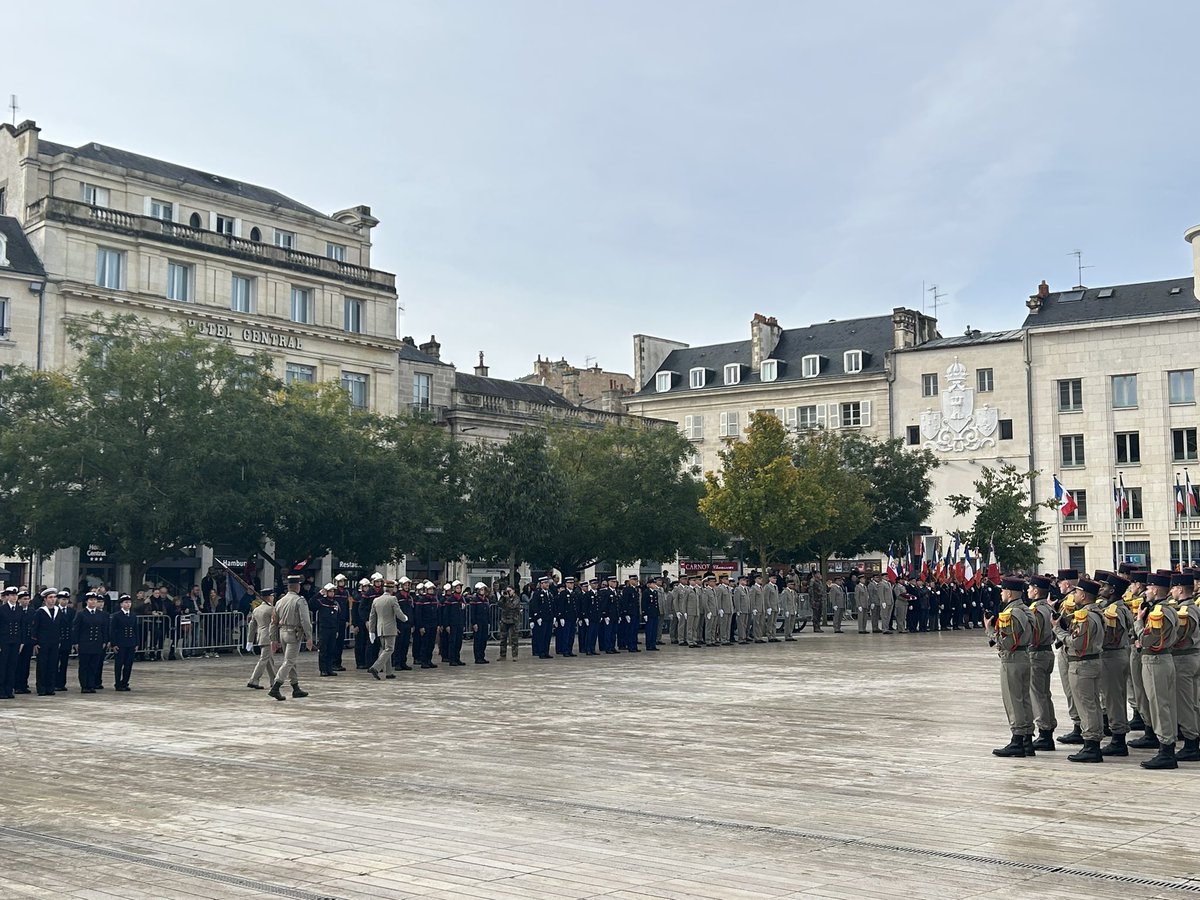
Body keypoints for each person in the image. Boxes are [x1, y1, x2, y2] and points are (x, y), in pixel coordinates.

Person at [987, 576, 1036, 757]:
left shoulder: (1011, 613)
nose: (1001, 593)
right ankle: (1027, 739)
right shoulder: (1025, 610)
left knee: (1013, 700)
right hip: (1024, 656)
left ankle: (1017, 739)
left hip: (1012, 658)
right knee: (1024, 699)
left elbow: (1007, 643)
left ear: (1009, 592)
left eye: (1002, 590)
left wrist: (990, 630)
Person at [1137, 572, 1180, 769]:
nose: (1146, 592)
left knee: (1159, 705)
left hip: (1155, 661)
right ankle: (1167, 746)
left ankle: (1166, 751)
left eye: (1147, 588)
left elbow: (1146, 639)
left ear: (1155, 589)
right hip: (1165, 659)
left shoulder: (1158, 613)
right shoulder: (1169, 609)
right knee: (1166, 704)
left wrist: (1138, 622)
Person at [1061, 578, 1105, 763]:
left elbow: (1077, 643)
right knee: (1092, 703)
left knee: (1086, 705)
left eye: (1077, 592)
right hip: (1092, 662)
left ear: (1084, 595)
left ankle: (1091, 745)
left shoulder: (1085, 616)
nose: (1074, 595)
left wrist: (1058, 631)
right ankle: (1092, 741)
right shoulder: (1096, 613)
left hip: (1082, 664)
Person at [1097, 573, 1134, 757]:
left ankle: (1118, 739)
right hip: (1118, 655)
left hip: (1112, 656)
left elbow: (1111, 638)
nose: (1101, 589)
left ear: (1112, 590)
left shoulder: (1113, 611)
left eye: (1104, 587)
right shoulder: (1119, 607)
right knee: (1115, 697)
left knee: (1114, 699)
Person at [1025, 575, 1058, 751]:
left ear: (1036, 590)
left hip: (1036, 653)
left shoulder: (1036, 610)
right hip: (1047, 651)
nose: (1028, 590)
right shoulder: (1048, 608)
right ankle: (1048, 728)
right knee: (1045, 694)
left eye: (1030, 588)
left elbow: (1034, 635)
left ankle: (1045, 732)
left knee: (1037, 695)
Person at [268, 575, 314, 701]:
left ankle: (295, 687)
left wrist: (273, 639)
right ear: (297, 586)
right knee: (289, 661)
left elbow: (273, 622)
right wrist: (309, 637)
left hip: (282, 632)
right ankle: (276, 686)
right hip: (294, 633)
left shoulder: (279, 601)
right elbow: (305, 620)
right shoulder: (300, 600)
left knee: (290, 660)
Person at [1169, 572, 1199, 762]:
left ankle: (1190, 743)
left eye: (1173, 587)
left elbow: (1178, 637)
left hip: (1183, 659)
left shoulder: (1184, 611)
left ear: (1180, 589)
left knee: (1185, 704)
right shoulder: (1192, 607)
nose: (1171, 591)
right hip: (1192, 657)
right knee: (1193, 702)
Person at [368, 579, 408, 680]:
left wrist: (371, 630)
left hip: (380, 629)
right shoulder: (392, 599)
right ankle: (375, 667)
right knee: (389, 649)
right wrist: (405, 618)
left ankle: (389, 672)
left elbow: (372, 617)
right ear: (391, 589)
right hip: (390, 628)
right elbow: (398, 612)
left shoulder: (376, 600)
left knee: (385, 650)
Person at [72, 592, 109, 694]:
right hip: (85, 643)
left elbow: (104, 628)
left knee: (94, 665)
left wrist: (105, 640)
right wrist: (76, 643)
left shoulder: (101, 614)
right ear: (86, 601)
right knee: (84, 665)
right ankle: (84, 685)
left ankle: (91, 685)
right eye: (91, 600)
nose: (93, 602)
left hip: (97, 643)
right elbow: (76, 629)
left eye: (95, 600)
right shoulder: (81, 614)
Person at [246, 587, 278, 690]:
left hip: (260, 636)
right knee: (264, 659)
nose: (273, 597)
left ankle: (274, 680)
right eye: (272, 596)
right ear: (269, 597)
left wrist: (250, 640)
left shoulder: (256, 609)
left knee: (269, 660)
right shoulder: (271, 609)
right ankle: (254, 680)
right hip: (268, 636)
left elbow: (252, 627)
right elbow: (276, 623)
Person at [31, 589, 60, 696]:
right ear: (45, 599)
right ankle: (41, 688)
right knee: (42, 666)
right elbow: (35, 628)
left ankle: (50, 687)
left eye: (54, 597)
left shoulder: (58, 611)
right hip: (42, 643)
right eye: (50, 597)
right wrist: (35, 642)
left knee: (53, 665)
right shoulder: (40, 612)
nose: (53, 600)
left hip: (54, 642)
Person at [108, 593, 139, 691]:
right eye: (125, 602)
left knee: (128, 664)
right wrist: (114, 644)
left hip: (130, 642)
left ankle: (125, 682)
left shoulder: (133, 615)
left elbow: (136, 630)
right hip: (120, 643)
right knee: (119, 664)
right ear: (121, 604)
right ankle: (118, 683)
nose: (128, 604)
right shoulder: (117, 616)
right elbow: (112, 631)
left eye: (129, 602)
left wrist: (137, 643)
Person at [0, 587, 22, 699]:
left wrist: (21, 641)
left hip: (15, 641)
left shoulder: (19, 609)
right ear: (7, 596)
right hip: (4, 641)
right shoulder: (2, 609)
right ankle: (1, 690)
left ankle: (9, 689)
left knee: (12, 666)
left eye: (15, 595)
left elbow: (20, 626)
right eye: (12, 595)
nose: (14, 597)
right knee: (3, 666)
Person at [316, 583, 342, 677]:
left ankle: (329, 668)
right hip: (324, 629)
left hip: (333, 629)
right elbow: (311, 603)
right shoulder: (321, 602)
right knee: (323, 650)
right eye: (330, 591)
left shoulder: (336, 603)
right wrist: (319, 594)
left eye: (333, 591)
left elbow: (338, 618)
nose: (332, 593)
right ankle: (323, 669)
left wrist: (337, 630)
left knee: (331, 649)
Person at [393, 577, 415, 672]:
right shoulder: (397, 597)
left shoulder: (410, 598)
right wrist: (395, 626)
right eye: (405, 585)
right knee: (398, 645)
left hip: (407, 624)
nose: (407, 587)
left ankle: (403, 662)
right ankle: (397, 663)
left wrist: (412, 624)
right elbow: (393, 613)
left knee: (406, 644)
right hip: (399, 625)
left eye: (408, 585)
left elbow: (412, 611)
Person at [55, 589, 75, 691]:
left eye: (67, 599)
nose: (65, 601)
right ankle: (54, 682)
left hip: (66, 641)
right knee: (54, 663)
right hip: (57, 640)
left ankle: (61, 683)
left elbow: (73, 626)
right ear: (58, 600)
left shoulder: (71, 611)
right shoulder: (55, 610)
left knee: (64, 663)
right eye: (63, 599)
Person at [497, 586, 522, 660]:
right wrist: (502, 597)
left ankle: (515, 655)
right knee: (503, 639)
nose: (508, 592)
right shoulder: (505, 598)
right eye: (507, 591)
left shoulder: (516, 598)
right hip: (504, 620)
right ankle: (502, 655)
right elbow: (499, 604)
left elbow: (512, 606)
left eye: (509, 591)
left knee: (514, 639)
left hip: (513, 620)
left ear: (513, 591)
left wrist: (507, 598)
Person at [469, 582, 491, 664]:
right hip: (478, 623)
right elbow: (473, 613)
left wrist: (488, 622)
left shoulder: (486, 600)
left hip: (484, 622)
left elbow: (488, 612)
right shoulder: (475, 600)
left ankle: (482, 656)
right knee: (478, 640)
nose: (483, 591)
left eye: (483, 589)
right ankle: (477, 657)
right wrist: (474, 623)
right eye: (481, 589)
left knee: (483, 640)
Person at [642, 576, 661, 651]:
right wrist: (644, 613)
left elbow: (656, 604)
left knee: (654, 630)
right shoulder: (646, 592)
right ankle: (649, 645)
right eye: (652, 583)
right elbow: (644, 603)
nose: (654, 585)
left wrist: (658, 613)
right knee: (649, 630)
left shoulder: (655, 592)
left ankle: (653, 644)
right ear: (649, 585)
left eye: (654, 583)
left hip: (654, 613)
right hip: (649, 614)